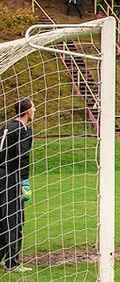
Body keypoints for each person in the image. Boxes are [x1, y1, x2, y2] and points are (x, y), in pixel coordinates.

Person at [0, 99, 35, 273]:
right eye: (33, 107)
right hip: (11, 177)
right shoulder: (23, 130)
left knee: (2, 216)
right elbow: (22, 157)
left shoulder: (5, 127)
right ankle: (12, 263)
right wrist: (24, 181)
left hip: (0, 174)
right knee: (15, 219)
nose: (34, 109)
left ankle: (2, 256)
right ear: (28, 111)